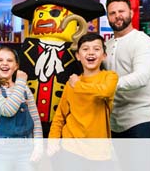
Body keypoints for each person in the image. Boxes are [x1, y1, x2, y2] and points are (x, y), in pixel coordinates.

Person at [104, 0, 150, 171]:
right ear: (108, 17)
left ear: (131, 13)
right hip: (115, 119)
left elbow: (141, 77)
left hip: (140, 117)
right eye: (112, 13)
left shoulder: (142, 41)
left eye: (121, 11)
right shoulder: (108, 45)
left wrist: (105, 85)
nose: (117, 16)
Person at [48, 33, 118, 171]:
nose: (91, 52)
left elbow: (105, 91)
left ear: (104, 55)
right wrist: (52, 141)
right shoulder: (71, 84)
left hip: (100, 152)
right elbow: (60, 116)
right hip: (70, 148)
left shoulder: (110, 77)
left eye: (96, 49)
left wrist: (78, 85)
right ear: (78, 56)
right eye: (85, 49)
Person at [0, 46, 42, 171]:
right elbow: (8, 110)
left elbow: (35, 120)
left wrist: (38, 145)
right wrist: (20, 82)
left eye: (9, 60)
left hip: (26, 149)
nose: (5, 63)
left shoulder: (24, 89)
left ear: (16, 66)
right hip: (0, 150)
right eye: (0, 60)